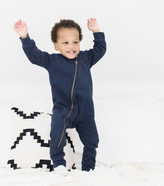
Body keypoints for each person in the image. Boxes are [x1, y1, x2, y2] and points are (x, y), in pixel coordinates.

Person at [14, 18, 106, 175]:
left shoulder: (85, 58)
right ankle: (58, 164)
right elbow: (34, 55)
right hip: (63, 110)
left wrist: (97, 32)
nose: (71, 46)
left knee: (92, 141)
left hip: (85, 111)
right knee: (57, 135)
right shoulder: (52, 61)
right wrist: (25, 37)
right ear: (56, 45)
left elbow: (100, 49)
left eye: (75, 42)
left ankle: (88, 169)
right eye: (65, 43)